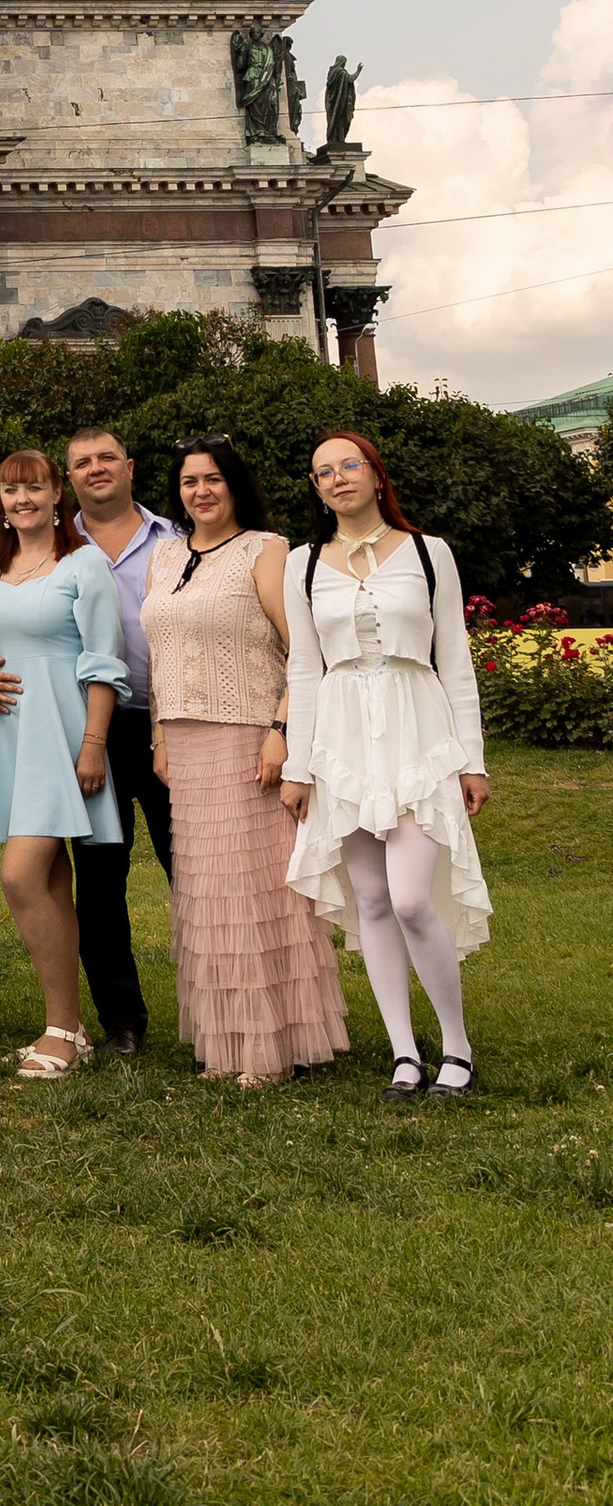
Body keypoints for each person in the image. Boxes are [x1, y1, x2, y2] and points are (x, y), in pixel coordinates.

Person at [283, 429, 489, 1100]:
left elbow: (454, 658)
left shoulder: (430, 553)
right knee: (371, 897)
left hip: (416, 728)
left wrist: (473, 760)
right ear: (316, 489)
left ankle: (455, 1045)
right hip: (343, 736)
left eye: (349, 464)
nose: (337, 478)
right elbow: (305, 668)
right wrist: (298, 765)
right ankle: (404, 1052)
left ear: (376, 474)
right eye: (323, 472)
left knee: (409, 897)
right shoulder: (302, 564)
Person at [145, 439, 347, 1087]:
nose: (200, 490)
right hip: (186, 739)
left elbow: (304, 650)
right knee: (206, 897)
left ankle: (273, 1047)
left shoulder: (265, 550)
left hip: (249, 737)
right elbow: (159, 656)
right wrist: (160, 735)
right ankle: (227, 1043)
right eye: (188, 480)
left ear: (233, 485)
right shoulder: (165, 554)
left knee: (256, 893)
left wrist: (282, 731)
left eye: (212, 479)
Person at [0, 453, 130, 1079]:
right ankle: (71, 1028)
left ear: (57, 493)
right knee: (48, 879)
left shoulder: (84, 564)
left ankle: (62, 1028)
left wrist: (92, 744)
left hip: (64, 733)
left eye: (33, 486)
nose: (21, 498)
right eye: (10, 488)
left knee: (19, 878)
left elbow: (105, 660)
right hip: (12, 734)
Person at [62, 425, 179, 1056]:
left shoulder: (176, 541)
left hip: (171, 727)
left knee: (190, 872)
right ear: (69, 477)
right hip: (85, 734)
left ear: (130, 467)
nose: (96, 468)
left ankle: (217, 1006)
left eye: (107, 457)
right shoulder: (52, 545)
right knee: (100, 884)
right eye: (82, 462)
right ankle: (122, 1023)